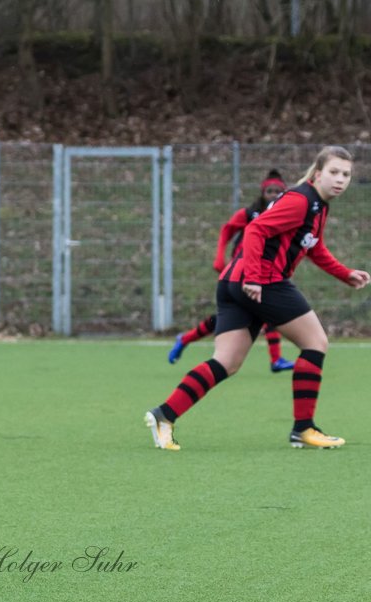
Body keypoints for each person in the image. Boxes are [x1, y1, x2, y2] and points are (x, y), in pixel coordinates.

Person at [145, 146, 369, 451]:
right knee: (316, 342)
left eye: (346, 174)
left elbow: (314, 247)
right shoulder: (301, 201)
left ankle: (164, 415)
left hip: (234, 282)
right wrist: (253, 277)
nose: (340, 179)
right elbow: (255, 231)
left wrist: (345, 274)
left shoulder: (317, 205)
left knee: (226, 362)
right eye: (333, 172)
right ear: (318, 174)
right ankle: (303, 429)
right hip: (262, 281)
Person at [167, 169, 294, 372]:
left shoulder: (285, 214)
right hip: (241, 273)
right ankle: (276, 359)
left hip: (261, 272)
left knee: (240, 315)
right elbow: (227, 230)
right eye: (269, 191)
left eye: (277, 191)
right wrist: (220, 256)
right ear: (262, 193)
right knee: (263, 310)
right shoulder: (250, 213)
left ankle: (186, 338)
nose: (273, 195)